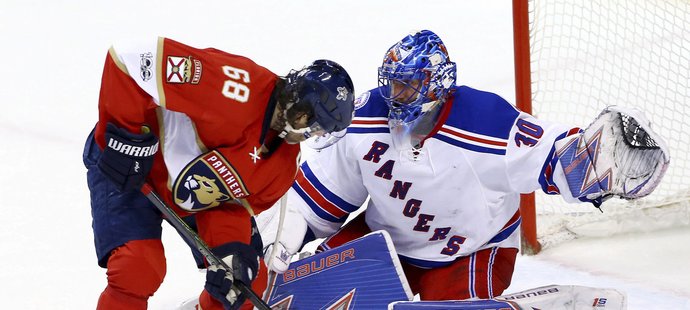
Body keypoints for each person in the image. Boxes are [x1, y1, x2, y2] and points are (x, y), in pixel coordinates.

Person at [261, 29, 669, 301]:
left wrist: (598, 159)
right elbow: (315, 199)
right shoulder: (365, 119)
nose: (395, 94)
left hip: (473, 252)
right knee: (303, 297)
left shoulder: (487, 123)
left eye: (407, 85)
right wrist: (280, 240)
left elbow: (558, 161)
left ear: (436, 83)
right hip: (385, 245)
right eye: (391, 82)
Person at [82, 37, 355, 310]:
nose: (315, 134)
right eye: (316, 124)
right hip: (130, 166)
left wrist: (231, 252)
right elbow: (131, 60)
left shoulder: (282, 167)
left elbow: (230, 206)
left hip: (190, 194)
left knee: (242, 286)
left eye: (322, 131)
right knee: (138, 267)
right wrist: (125, 138)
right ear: (300, 105)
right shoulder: (233, 85)